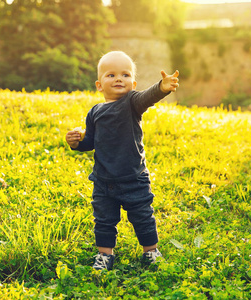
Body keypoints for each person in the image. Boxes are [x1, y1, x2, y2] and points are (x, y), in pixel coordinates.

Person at [65, 51, 179, 270]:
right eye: (111, 75)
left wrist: (162, 88)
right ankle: (105, 255)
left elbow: (148, 96)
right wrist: (76, 143)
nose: (118, 79)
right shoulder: (95, 112)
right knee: (104, 221)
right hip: (103, 181)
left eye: (125, 75)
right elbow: (90, 142)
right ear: (99, 85)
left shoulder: (132, 102)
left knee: (143, 216)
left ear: (133, 83)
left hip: (133, 178)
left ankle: (151, 251)